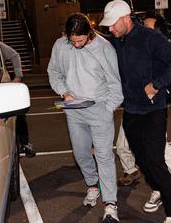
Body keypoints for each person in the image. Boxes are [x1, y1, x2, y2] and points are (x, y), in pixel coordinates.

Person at [100, 0, 171, 223]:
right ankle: (158, 188)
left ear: (125, 18)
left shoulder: (150, 38)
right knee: (142, 160)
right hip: (131, 110)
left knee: (156, 161)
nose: (110, 28)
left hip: (153, 111)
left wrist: (157, 83)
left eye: (112, 24)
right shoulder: (117, 42)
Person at [47, 13, 123, 223]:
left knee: (104, 155)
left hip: (99, 107)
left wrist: (108, 109)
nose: (76, 44)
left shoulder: (104, 47)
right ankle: (93, 185)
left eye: (80, 41)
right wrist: (64, 92)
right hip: (73, 108)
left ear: (89, 34)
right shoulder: (61, 45)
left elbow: (115, 83)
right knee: (80, 154)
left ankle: (110, 204)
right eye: (73, 41)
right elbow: (53, 72)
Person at [0, 41, 35, 158]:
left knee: (19, 113)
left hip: (3, 84)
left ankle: (24, 143)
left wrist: (18, 76)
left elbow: (14, 55)